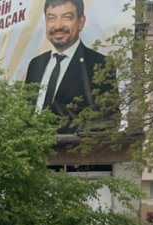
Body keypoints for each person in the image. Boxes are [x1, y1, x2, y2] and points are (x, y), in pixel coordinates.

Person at [24, 0, 111, 129]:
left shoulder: (99, 64)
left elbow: (109, 119)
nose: (58, 25)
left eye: (67, 17)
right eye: (51, 18)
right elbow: (25, 113)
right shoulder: (35, 64)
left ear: (81, 22)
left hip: (73, 147)